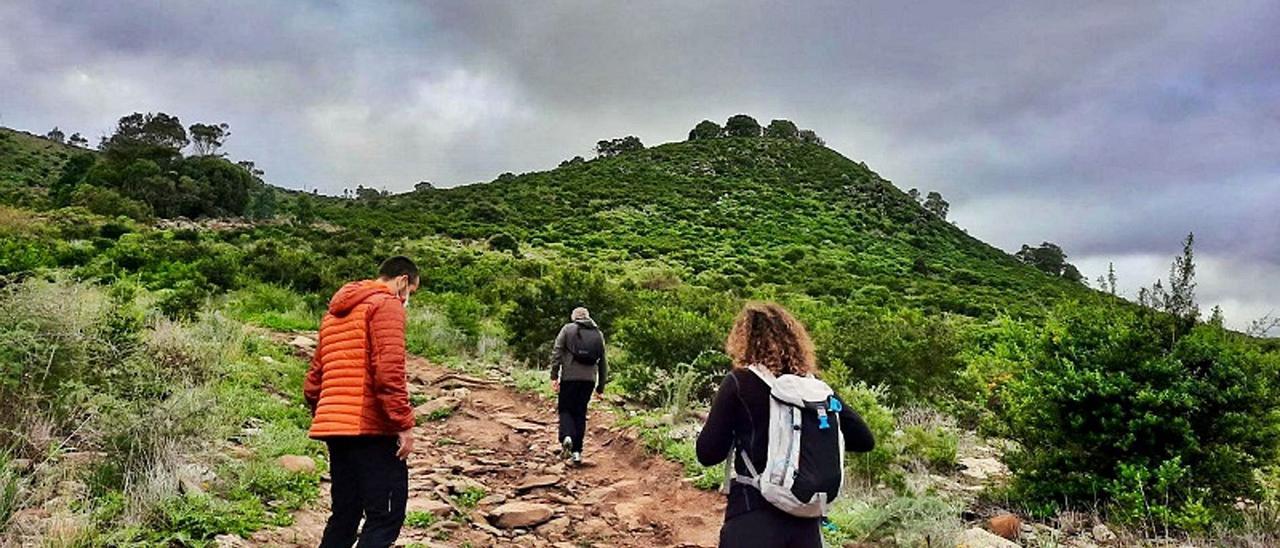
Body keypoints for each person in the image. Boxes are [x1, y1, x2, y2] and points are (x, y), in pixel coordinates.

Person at [696, 302, 875, 548]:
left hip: (751, 519)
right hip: (805, 523)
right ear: (795, 339)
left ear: (743, 340)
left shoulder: (740, 382)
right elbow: (864, 440)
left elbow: (707, 454)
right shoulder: (814, 389)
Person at [304, 256, 420, 547]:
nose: (408, 299)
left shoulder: (334, 313)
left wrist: (327, 413)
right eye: (411, 293)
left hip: (335, 428)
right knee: (386, 515)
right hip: (370, 429)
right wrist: (403, 424)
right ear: (402, 280)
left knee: (345, 513)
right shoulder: (386, 304)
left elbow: (314, 380)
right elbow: (388, 372)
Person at [549, 306, 608, 465]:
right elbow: (603, 362)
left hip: (570, 377)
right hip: (589, 380)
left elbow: (557, 352)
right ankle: (577, 452)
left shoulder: (568, 329)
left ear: (574, 317)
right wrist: (600, 386)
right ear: (588, 317)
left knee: (566, 409)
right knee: (580, 413)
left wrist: (554, 375)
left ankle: (566, 436)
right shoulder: (598, 334)